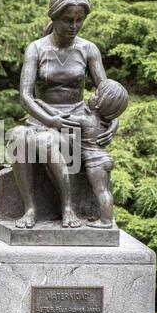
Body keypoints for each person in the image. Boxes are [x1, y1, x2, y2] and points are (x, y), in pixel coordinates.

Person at [8, 0, 118, 229]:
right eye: (68, 20)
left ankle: (68, 207)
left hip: (75, 122)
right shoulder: (36, 49)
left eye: (80, 20)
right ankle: (29, 209)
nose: (74, 26)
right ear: (54, 16)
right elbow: (26, 96)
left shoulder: (89, 49)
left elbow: (106, 92)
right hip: (43, 116)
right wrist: (50, 120)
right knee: (17, 136)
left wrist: (113, 120)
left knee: (46, 141)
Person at [38, 79, 129, 228]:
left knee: (101, 191)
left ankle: (106, 222)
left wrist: (42, 105)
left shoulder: (85, 120)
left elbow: (59, 115)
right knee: (104, 191)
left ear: (98, 104)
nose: (91, 95)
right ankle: (105, 216)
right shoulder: (105, 124)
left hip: (95, 162)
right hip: (104, 159)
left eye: (96, 94)